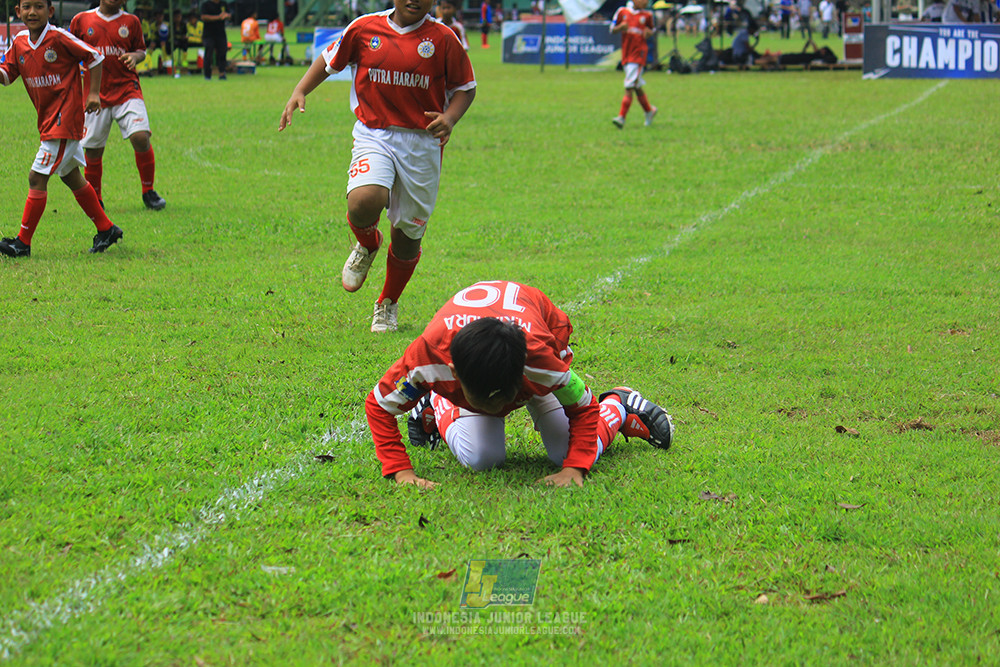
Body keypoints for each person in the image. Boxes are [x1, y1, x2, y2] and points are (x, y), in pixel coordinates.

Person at [278, 0, 476, 333]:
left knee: (408, 236)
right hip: (375, 133)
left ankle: (387, 303)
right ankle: (368, 243)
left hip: (422, 143)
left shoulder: (443, 39)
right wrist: (300, 90)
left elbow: (465, 88)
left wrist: (450, 118)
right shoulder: (363, 28)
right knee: (363, 200)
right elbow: (329, 61)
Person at [366, 280, 675, 488]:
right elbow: (378, 405)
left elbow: (583, 405)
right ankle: (434, 400)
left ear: (523, 374)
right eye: (490, 402)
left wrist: (574, 468)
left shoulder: (541, 359)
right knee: (482, 459)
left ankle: (619, 404)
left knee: (567, 452)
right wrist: (401, 471)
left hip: (523, 348)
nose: (501, 410)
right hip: (475, 368)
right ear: (454, 374)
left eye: (506, 399)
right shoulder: (426, 359)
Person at [0, 0, 124, 258]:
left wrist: (92, 94)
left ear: (50, 11)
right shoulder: (20, 42)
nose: (32, 12)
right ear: (18, 12)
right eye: (27, 7)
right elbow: (6, 75)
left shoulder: (59, 37)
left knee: (36, 177)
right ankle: (107, 228)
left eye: (39, 7)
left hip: (64, 121)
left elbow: (95, 56)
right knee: (71, 176)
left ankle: (22, 243)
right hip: (47, 121)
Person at [70, 0, 167, 212]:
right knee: (93, 150)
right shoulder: (81, 20)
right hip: (95, 94)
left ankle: (148, 191)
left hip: (127, 90)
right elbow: (71, 50)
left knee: (141, 137)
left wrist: (135, 56)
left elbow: (141, 50)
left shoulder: (131, 22)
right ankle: (95, 198)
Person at [611, 0, 657, 130]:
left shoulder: (647, 15)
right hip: (627, 54)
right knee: (636, 86)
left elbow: (651, 30)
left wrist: (649, 33)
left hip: (639, 54)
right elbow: (612, 29)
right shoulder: (622, 12)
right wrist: (621, 28)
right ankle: (649, 111)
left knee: (629, 86)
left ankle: (621, 117)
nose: (646, 2)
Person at [201, 0, 230, 80]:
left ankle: (222, 73)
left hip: (221, 33)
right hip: (209, 34)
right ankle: (207, 74)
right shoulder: (206, 5)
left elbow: (229, 14)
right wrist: (218, 17)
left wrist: (226, 16)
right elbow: (204, 17)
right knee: (208, 53)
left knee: (222, 52)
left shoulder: (223, 4)